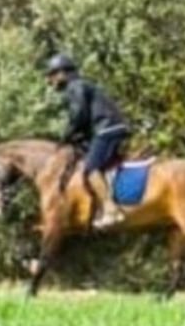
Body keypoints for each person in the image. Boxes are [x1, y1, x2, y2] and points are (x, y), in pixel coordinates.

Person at [45, 54, 132, 229]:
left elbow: (79, 116)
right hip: (111, 127)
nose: (51, 80)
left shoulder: (74, 87)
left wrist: (66, 136)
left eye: (53, 74)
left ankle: (110, 208)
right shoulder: (83, 85)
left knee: (91, 168)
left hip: (106, 129)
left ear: (62, 73)